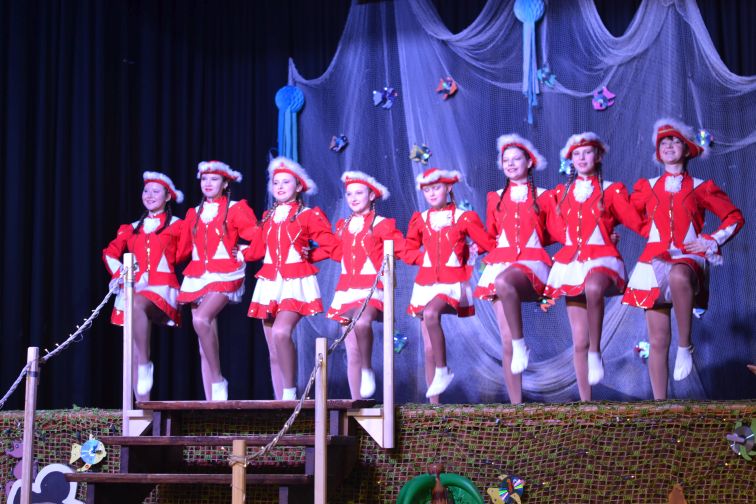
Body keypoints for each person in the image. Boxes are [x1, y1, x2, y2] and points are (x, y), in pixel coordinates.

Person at [623, 119, 744, 399]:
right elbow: (627, 214)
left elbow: (735, 217)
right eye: (663, 142)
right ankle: (660, 406)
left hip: (687, 256)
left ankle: (685, 346)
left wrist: (711, 240)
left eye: (675, 141)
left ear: (688, 150)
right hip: (652, 260)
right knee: (657, 340)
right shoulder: (647, 186)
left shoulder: (701, 187)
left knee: (678, 274)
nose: (668, 145)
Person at [544, 133, 644, 401]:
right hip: (572, 264)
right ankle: (585, 401)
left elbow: (637, 220)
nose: (581, 158)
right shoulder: (561, 193)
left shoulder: (612, 190)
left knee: (593, 286)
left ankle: (595, 351)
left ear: (598, 156)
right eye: (576, 154)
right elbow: (552, 230)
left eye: (587, 152)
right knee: (579, 339)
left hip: (602, 258)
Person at [474, 134, 559, 404]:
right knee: (506, 339)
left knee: (503, 282)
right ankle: (515, 406)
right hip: (501, 261)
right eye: (506, 160)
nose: (510, 164)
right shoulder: (495, 198)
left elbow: (556, 232)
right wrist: (477, 245)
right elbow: (491, 235)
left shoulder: (545, 196)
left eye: (516, 159)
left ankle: (522, 344)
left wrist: (603, 234)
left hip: (531, 263)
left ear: (529, 162)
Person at [246, 157, 338, 400]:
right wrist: (234, 251)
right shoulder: (268, 216)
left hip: (295, 282)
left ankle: (290, 395)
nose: (280, 187)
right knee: (273, 349)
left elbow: (331, 246)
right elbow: (256, 250)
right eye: (276, 182)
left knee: (280, 333)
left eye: (286, 182)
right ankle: (279, 406)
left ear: (298, 186)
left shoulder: (308, 215)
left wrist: (309, 256)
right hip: (269, 283)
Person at [402, 168, 494, 401]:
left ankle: (443, 370)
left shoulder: (463, 217)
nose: (432, 194)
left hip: (452, 283)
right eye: (427, 190)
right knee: (428, 347)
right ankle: (434, 406)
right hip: (426, 284)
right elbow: (408, 250)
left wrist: (469, 253)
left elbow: (486, 242)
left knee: (431, 313)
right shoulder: (421, 219)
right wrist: (423, 258)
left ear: (448, 187)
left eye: (436, 188)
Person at [177, 160, 258, 401]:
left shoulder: (235, 208)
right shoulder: (193, 213)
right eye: (204, 179)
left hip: (225, 272)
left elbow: (256, 235)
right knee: (204, 345)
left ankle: (218, 380)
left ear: (225, 184)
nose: (208, 183)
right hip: (197, 275)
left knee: (201, 319)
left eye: (214, 179)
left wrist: (244, 251)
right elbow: (181, 249)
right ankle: (211, 404)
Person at [103, 171, 184, 401]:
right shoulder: (131, 228)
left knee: (137, 304)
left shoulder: (177, 225)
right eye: (146, 190)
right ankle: (141, 407)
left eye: (155, 191)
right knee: (131, 346)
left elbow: (189, 251)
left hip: (162, 287)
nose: (149, 195)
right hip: (134, 286)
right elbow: (109, 253)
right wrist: (123, 273)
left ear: (167, 196)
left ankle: (146, 364)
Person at [327, 171, 403, 399]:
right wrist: (307, 253)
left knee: (361, 322)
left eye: (359, 193)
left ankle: (368, 369)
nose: (353, 198)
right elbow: (334, 251)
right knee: (351, 350)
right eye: (349, 194)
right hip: (346, 290)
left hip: (371, 288)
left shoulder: (381, 224)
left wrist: (423, 253)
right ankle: (356, 402)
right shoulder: (343, 226)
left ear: (371, 195)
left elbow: (400, 248)